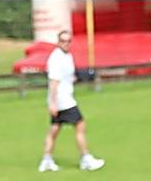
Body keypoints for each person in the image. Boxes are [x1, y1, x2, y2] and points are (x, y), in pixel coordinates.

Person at [38, 30, 105, 172]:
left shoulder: (67, 56)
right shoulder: (56, 58)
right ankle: (86, 159)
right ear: (58, 42)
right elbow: (54, 82)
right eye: (63, 41)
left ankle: (46, 160)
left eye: (68, 41)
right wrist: (53, 103)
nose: (66, 43)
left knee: (54, 129)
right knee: (80, 125)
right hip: (63, 101)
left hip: (63, 98)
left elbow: (69, 76)